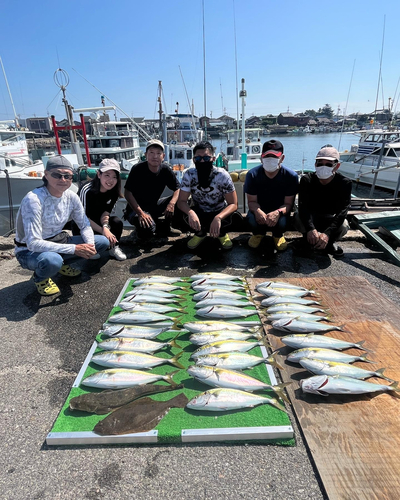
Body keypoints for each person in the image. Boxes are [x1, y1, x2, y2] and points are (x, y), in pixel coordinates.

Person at [14, 155, 109, 296]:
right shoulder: (33, 199)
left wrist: (89, 245)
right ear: (46, 175)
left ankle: (61, 265)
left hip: (58, 239)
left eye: (67, 176)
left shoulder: (71, 197)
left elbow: (84, 224)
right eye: (57, 175)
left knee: (101, 242)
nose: (63, 180)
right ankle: (41, 278)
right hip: (28, 250)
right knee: (52, 260)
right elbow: (33, 243)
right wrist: (74, 248)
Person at [177, 141, 238, 250]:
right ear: (193, 160)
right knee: (181, 214)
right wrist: (191, 213)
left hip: (219, 210)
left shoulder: (222, 175)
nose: (201, 161)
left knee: (233, 216)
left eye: (206, 158)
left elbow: (233, 204)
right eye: (198, 158)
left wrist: (218, 217)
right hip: (200, 210)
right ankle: (200, 233)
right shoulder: (189, 174)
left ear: (213, 159)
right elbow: (181, 201)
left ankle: (222, 234)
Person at [295, 145, 351, 257]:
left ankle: (329, 241)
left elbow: (342, 211)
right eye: (320, 164)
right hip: (311, 217)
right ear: (315, 165)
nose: (323, 167)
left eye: (328, 164)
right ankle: (308, 238)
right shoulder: (307, 180)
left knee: (344, 225)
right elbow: (303, 207)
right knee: (297, 217)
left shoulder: (345, 183)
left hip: (331, 218)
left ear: (337, 166)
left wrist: (328, 233)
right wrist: (310, 228)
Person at [244, 139, 298, 251]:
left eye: (274, 157)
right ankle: (258, 234)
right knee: (252, 220)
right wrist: (258, 211)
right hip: (259, 209)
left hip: (280, 211)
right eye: (267, 157)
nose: (270, 160)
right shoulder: (252, 175)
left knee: (282, 223)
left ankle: (278, 235)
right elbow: (251, 202)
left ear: (282, 158)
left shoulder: (291, 176)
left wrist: (277, 212)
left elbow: (288, 204)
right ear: (261, 158)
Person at [124, 139, 181, 240]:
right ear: (146, 155)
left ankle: (165, 227)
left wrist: (171, 204)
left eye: (158, 153)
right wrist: (141, 213)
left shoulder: (165, 170)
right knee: (147, 233)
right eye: (151, 153)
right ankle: (141, 229)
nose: (155, 156)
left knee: (181, 198)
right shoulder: (137, 169)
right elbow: (127, 192)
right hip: (136, 210)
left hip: (154, 205)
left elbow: (177, 188)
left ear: (163, 156)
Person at [74, 158, 127, 261]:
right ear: (99, 174)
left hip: (99, 221)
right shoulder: (87, 190)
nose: (111, 180)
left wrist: (105, 227)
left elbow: (106, 213)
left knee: (117, 222)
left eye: (114, 177)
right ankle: (90, 249)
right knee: (77, 226)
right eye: (107, 175)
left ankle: (113, 247)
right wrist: (103, 231)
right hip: (83, 223)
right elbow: (82, 217)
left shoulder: (114, 192)